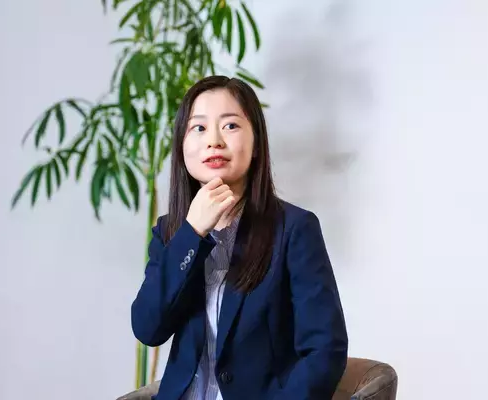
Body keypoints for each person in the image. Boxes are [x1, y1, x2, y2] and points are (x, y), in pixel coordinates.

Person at [131, 75, 348, 400]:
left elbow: (325, 350)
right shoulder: (170, 232)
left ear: (256, 143)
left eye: (230, 126)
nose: (214, 141)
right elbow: (148, 328)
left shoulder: (295, 229)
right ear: (181, 147)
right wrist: (192, 233)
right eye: (199, 128)